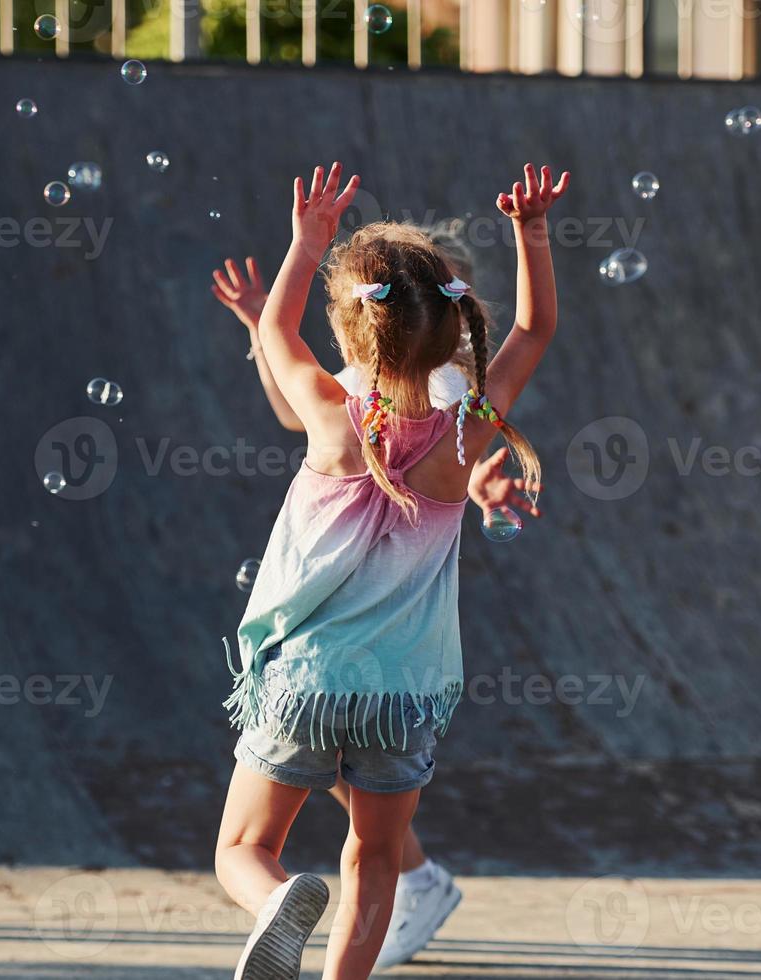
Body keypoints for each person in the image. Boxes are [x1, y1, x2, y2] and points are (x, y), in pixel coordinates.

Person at [212, 160, 569, 980]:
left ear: (350, 333)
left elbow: (277, 335)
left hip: (306, 678)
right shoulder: (464, 434)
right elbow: (535, 330)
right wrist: (533, 229)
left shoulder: (334, 419)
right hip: (403, 698)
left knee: (244, 845)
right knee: (372, 861)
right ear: (451, 327)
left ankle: (273, 900)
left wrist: (307, 246)